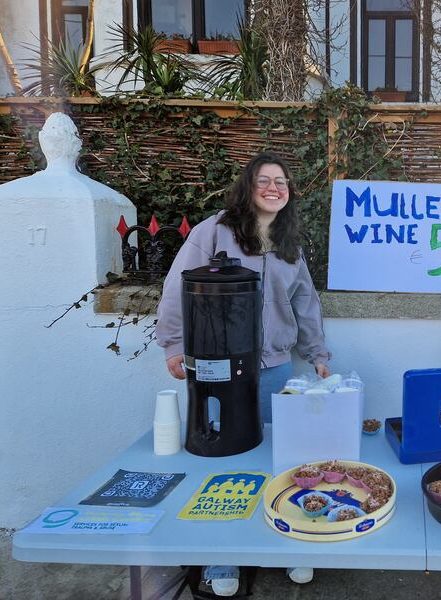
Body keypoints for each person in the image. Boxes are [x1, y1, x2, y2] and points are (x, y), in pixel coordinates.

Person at [156, 152, 331, 595]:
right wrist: (174, 344)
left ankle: (291, 546)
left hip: (274, 369)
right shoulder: (214, 231)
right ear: (248, 186)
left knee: (284, 462)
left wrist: (317, 354)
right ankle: (222, 559)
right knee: (225, 464)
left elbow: (305, 304)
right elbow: (179, 285)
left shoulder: (291, 242)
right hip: (220, 370)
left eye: (282, 182)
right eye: (264, 180)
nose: (275, 188)